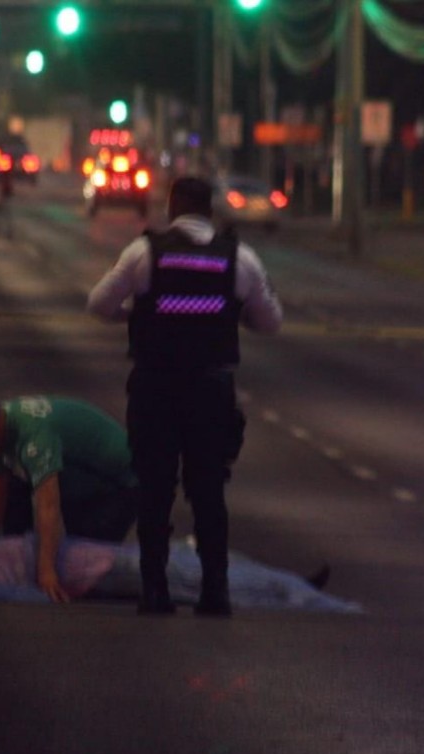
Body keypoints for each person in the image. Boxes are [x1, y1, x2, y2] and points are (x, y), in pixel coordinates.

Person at [86, 175, 283, 616]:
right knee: (209, 491)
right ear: (210, 211)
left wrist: (136, 313)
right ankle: (216, 592)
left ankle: (154, 591)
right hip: (210, 392)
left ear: (171, 209)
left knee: (154, 489)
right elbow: (271, 321)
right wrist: (236, 315)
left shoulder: (144, 253)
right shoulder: (239, 258)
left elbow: (98, 303)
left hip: (156, 388)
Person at [0, 391, 140, 602]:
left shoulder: (33, 434)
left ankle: (153, 576)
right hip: (78, 477)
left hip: (122, 483)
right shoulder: (1, 430)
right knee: (14, 484)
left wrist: (47, 571)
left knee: (86, 563)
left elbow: (48, 505)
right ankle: (19, 558)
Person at [0, 534, 356, 612]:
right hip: (109, 560)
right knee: (200, 567)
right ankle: (290, 584)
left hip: (108, 568)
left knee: (200, 576)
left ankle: (291, 587)